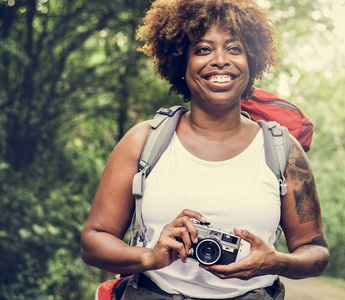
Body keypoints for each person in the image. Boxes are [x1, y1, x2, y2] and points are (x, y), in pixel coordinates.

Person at [80, 0, 329, 299]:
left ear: (252, 62)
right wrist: (147, 256)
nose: (221, 60)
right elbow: (93, 241)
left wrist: (276, 262)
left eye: (234, 48)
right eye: (202, 49)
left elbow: (316, 253)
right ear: (180, 63)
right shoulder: (144, 141)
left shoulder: (283, 151)